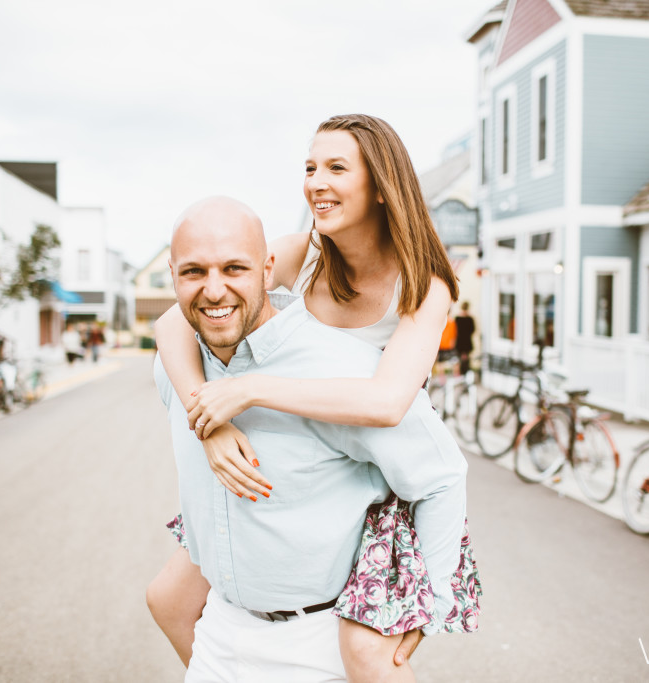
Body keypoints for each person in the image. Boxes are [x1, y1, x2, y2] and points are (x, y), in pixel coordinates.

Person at [150, 114, 479, 680]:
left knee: (366, 652)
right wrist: (210, 417)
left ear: (380, 185)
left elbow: (386, 403)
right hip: (302, 443)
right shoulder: (303, 250)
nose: (315, 182)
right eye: (309, 167)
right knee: (169, 599)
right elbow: (177, 319)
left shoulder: (425, 283)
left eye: (335, 167)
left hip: (377, 464)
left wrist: (249, 390)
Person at [454, 302, 475, 375]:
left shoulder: (457, 318)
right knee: (466, 359)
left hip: (459, 342)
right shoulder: (470, 319)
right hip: (467, 342)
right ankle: (466, 373)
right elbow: (472, 330)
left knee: (458, 359)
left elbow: (455, 331)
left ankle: (459, 374)